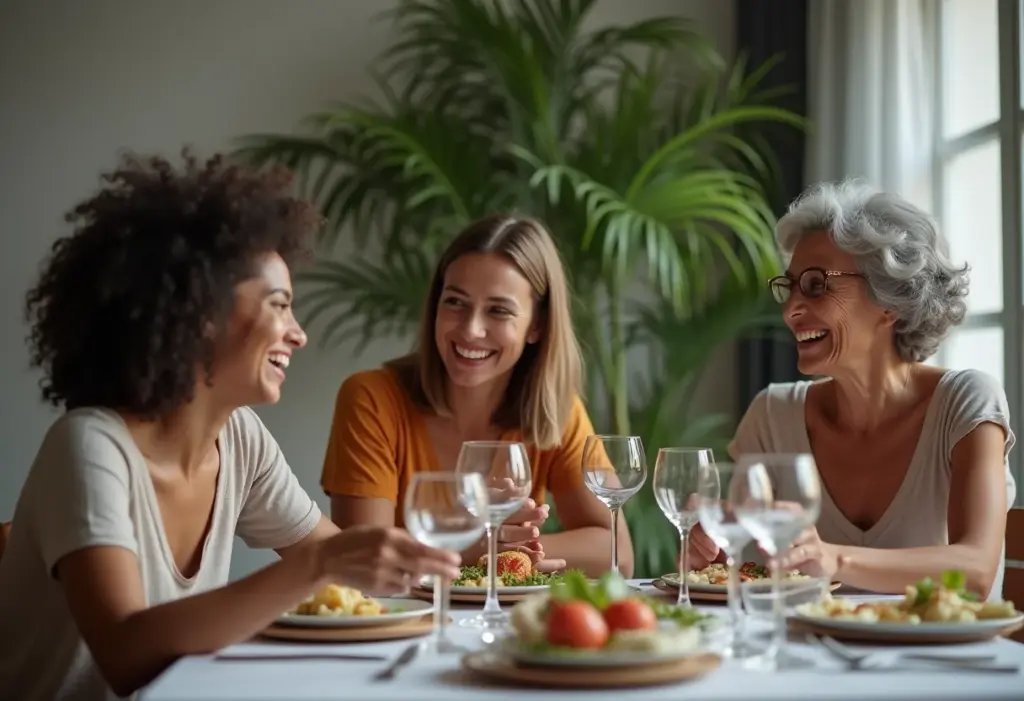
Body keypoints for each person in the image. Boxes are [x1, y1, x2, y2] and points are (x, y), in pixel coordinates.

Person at [0, 151, 462, 701]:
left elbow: (347, 567)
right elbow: (125, 657)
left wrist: (469, 554)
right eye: (280, 306)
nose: (298, 334)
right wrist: (318, 565)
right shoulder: (90, 446)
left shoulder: (240, 438)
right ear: (201, 314)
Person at [689, 180, 1016, 600]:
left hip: (944, 663)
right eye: (790, 287)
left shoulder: (966, 402)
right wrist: (712, 551)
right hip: (815, 659)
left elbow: (975, 570)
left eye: (816, 285)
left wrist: (834, 560)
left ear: (891, 301)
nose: (790, 310)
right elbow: (752, 574)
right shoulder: (772, 415)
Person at [320, 213, 634, 577]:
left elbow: (618, 553)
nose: (471, 330)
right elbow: (362, 558)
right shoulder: (371, 398)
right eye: (455, 302)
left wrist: (513, 547)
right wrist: (488, 542)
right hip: (399, 625)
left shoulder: (555, 411)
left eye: (498, 310)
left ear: (537, 324)